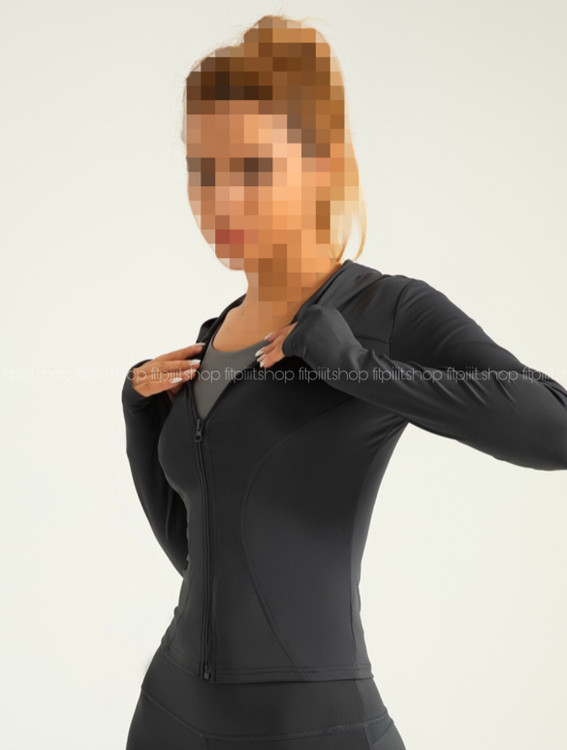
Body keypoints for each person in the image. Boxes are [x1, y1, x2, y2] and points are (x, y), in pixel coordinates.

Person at [121, 15, 567, 750]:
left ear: (321, 166)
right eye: (202, 169)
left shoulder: (385, 311)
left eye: (252, 168)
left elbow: (554, 427)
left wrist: (356, 367)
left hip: (315, 724)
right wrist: (140, 422)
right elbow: (206, 559)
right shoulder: (215, 332)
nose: (219, 199)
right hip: (169, 716)